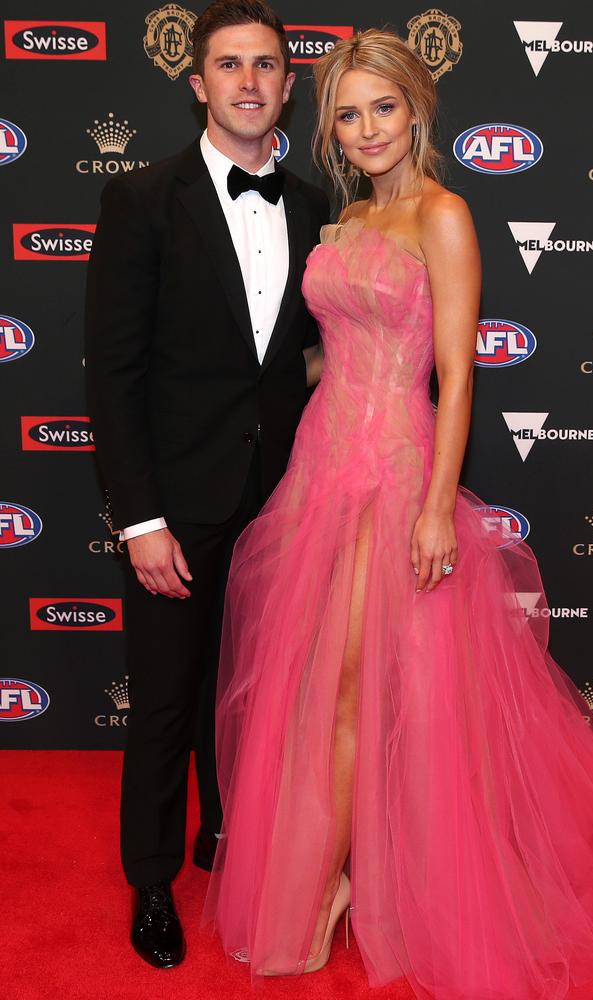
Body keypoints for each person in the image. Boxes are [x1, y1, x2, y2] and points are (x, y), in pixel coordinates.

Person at [202, 27, 593, 1000]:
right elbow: (330, 352)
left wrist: (438, 505)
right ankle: (338, 878)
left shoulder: (443, 214)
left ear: (416, 110)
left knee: (361, 688)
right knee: (314, 687)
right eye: (348, 114)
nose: (366, 129)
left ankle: (329, 885)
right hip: (321, 467)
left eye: (382, 108)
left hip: (399, 470)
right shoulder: (340, 226)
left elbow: (455, 377)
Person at [84, 0, 329, 970]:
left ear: (286, 81)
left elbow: (306, 356)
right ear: (197, 84)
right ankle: (151, 879)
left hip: (283, 505)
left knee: (254, 694)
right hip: (174, 507)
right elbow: (114, 372)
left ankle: (227, 836)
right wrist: (138, 518)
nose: (248, 81)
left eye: (265, 64)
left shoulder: (314, 205)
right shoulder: (142, 199)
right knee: (166, 701)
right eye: (228, 64)